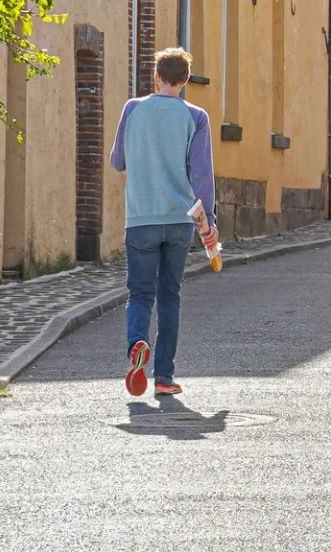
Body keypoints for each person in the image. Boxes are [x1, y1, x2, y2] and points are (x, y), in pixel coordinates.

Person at [108, 47, 216, 398]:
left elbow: (118, 161)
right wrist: (209, 220)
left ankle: (137, 344)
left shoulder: (132, 109)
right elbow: (201, 174)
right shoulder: (196, 116)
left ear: (156, 76)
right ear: (185, 81)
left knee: (140, 293)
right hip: (180, 220)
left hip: (140, 218)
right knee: (170, 294)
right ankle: (165, 377)